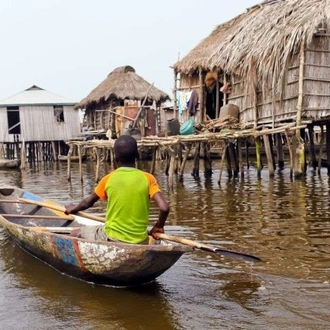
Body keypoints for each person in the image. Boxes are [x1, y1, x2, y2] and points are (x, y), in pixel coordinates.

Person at [64, 135, 169, 244]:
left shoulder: (108, 179)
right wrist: (159, 226)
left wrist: (73, 208)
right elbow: (164, 208)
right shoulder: (148, 178)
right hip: (140, 240)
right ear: (137, 155)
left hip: (112, 236)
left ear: (115, 158)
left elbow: (87, 203)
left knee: (75, 233)